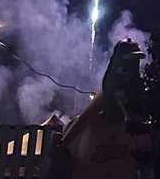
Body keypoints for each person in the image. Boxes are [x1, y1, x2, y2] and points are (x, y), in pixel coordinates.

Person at [49, 39, 149, 179]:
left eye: (133, 69)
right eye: (123, 70)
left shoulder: (137, 134)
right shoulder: (81, 129)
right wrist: (59, 152)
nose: (126, 80)